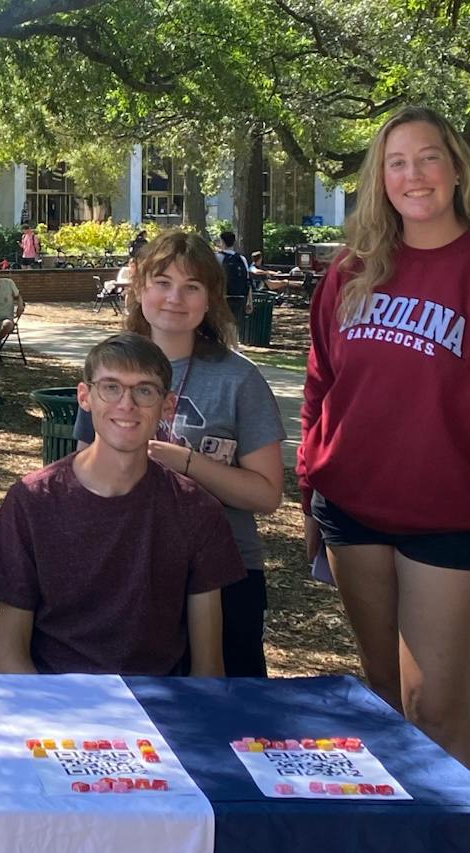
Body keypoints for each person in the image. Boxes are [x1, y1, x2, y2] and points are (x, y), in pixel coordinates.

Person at [299, 105, 470, 781]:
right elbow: (321, 384)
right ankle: (405, 841)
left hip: (451, 524)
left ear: (457, 168)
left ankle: (468, 849)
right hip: (351, 513)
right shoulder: (353, 269)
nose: (415, 175)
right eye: (397, 162)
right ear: (380, 179)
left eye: (429, 157)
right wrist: (309, 487)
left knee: (435, 708)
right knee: (383, 696)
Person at [73, 230, 285, 676]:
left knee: (225, 705)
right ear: (139, 289)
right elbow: (80, 480)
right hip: (126, 566)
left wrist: (186, 463)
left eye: (192, 287)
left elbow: (267, 495)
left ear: (210, 300)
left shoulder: (239, 380)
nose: (175, 298)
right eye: (162, 283)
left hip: (229, 572)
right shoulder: (109, 367)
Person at [0, 333, 243, 675]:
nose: (126, 404)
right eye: (111, 387)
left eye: (144, 390)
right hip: (54, 700)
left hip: (157, 701)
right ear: (85, 397)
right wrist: (52, 709)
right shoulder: (31, 501)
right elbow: (10, 657)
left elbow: (208, 669)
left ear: (167, 405)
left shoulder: (197, 510)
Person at [218, 230, 252, 334]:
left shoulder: (217, 257)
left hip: (223, 296)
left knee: (222, 325)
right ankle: (233, 342)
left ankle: (225, 342)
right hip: (239, 297)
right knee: (234, 325)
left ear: (222, 242)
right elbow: (248, 280)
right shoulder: (241, 259)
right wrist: (250, 300)